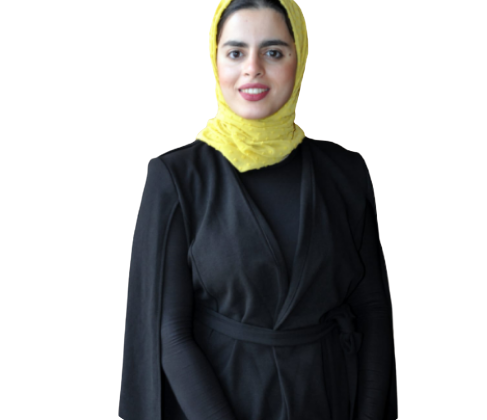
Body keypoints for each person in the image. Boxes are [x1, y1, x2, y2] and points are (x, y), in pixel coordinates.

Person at [118, 0, 397, 419]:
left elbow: (372, 310)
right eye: (236, 52)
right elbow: (169, 333)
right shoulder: (176, 176)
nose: (253, 69)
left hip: (329, 401)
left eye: (273, 52)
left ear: (299, 59)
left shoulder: (346, 171)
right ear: (215, 61)